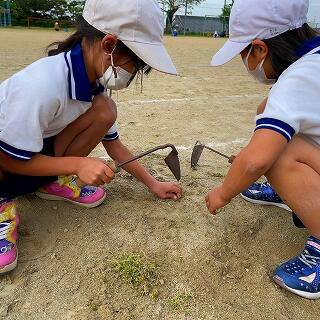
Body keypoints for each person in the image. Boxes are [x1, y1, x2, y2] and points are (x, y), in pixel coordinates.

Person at [0, 0, 182, 274]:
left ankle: (48, 182)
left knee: (104, 110)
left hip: (30, 157)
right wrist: (77, 165)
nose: (133, 74)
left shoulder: (95, 81)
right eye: (136, 63)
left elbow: (114, 145)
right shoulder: (42, 85)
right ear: (108, 45)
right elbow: (8, 159)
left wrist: (153, 184)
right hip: (6, 162)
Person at [207, 0, 320, 299]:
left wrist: (222, 193)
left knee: (276, 155)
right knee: (267, 112)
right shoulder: (313, 60)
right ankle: (289, 192)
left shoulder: (295, 79)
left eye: (243, 54)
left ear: (259, 49)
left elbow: (256, 161)